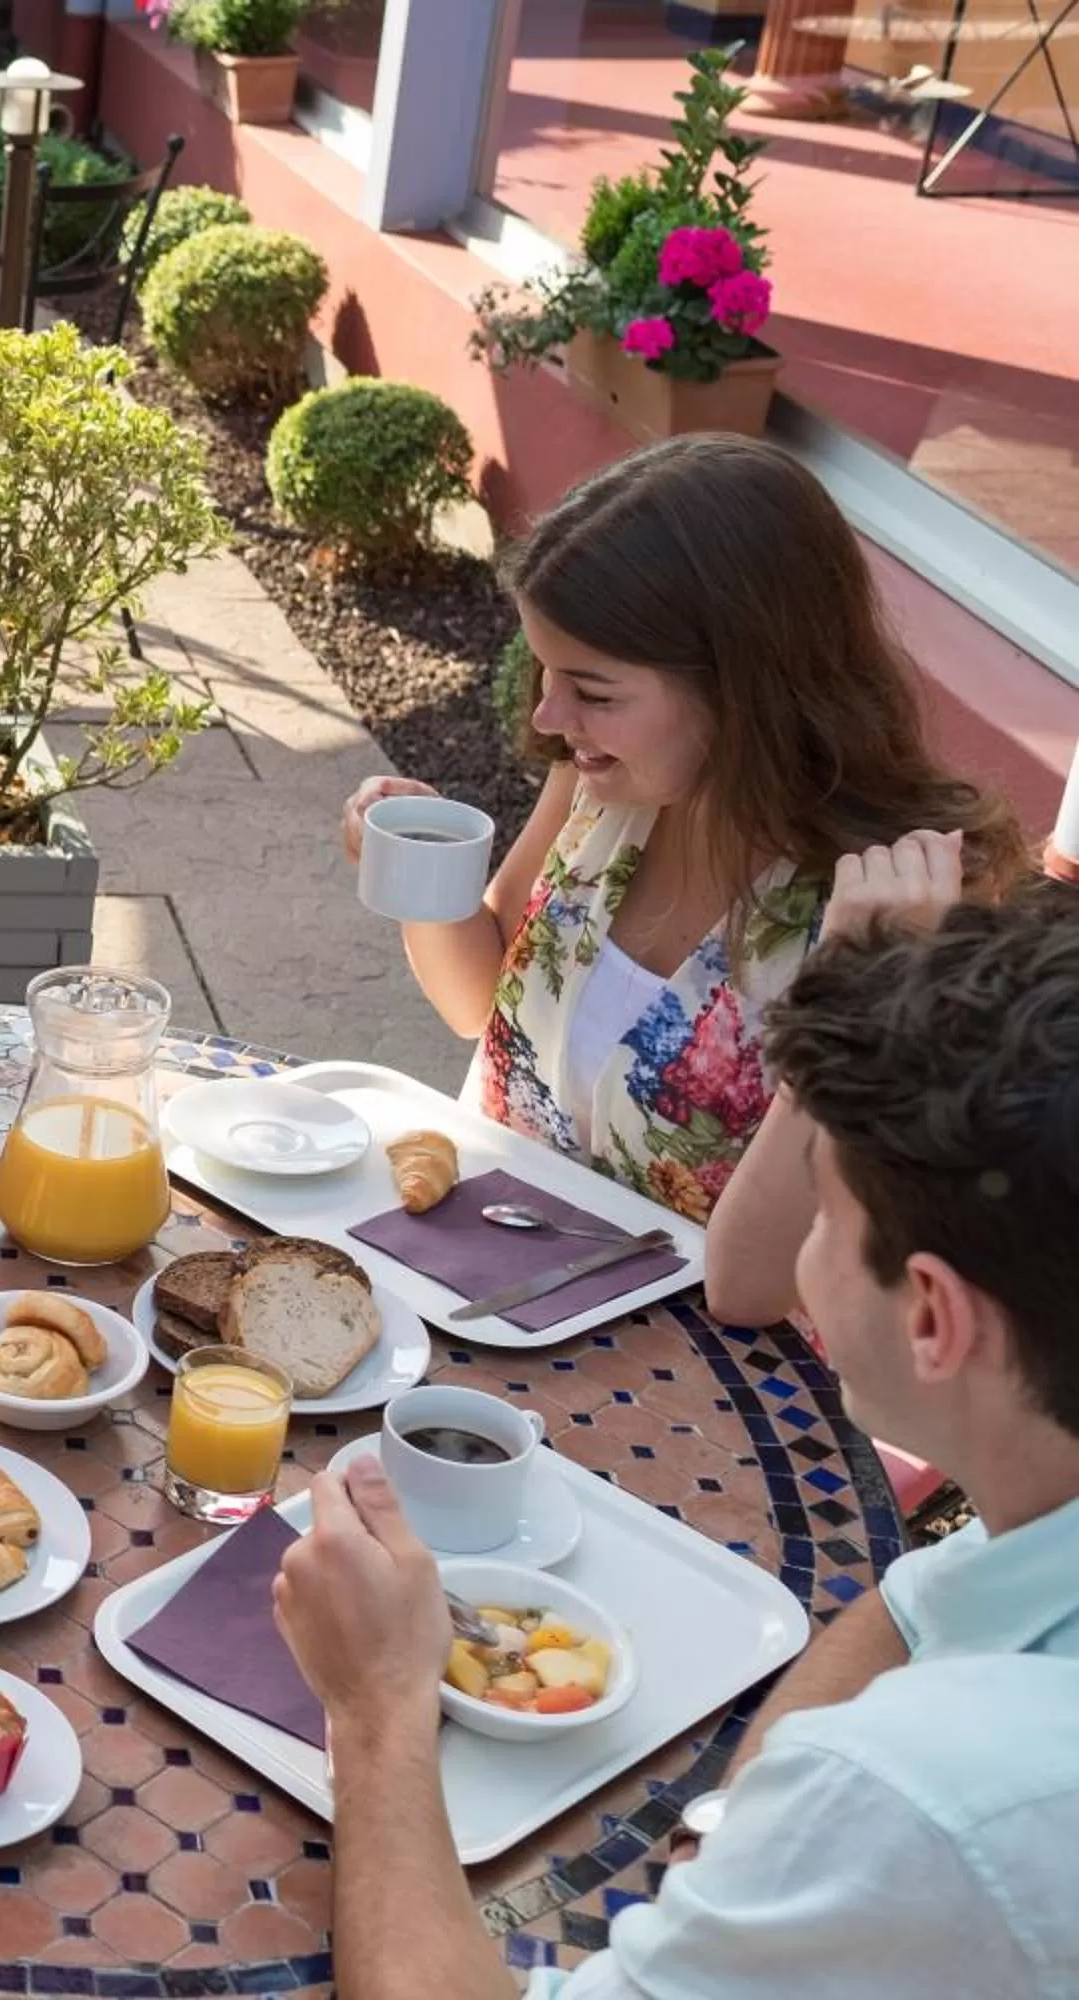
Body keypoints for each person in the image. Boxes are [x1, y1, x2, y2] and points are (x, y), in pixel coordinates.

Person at [271, 885, 1079, 2000]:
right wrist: (748, 1834)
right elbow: (917, 1599)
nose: (803, 1261)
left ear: (934, 1316)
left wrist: (375, 1709)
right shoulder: (1044, 1490)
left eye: (825, 1219)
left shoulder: (917, 1800)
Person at [337, 434, 1023, 1325]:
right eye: (547, 672)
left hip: (700, 1382)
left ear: (744, 689)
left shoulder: (905, 903)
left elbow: (762, 1290)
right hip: (473, 1290)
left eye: (594, 689)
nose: (549, 715)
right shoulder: (599, 781)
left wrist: (863, 991)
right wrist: (420, 873)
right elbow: (480, 1001)